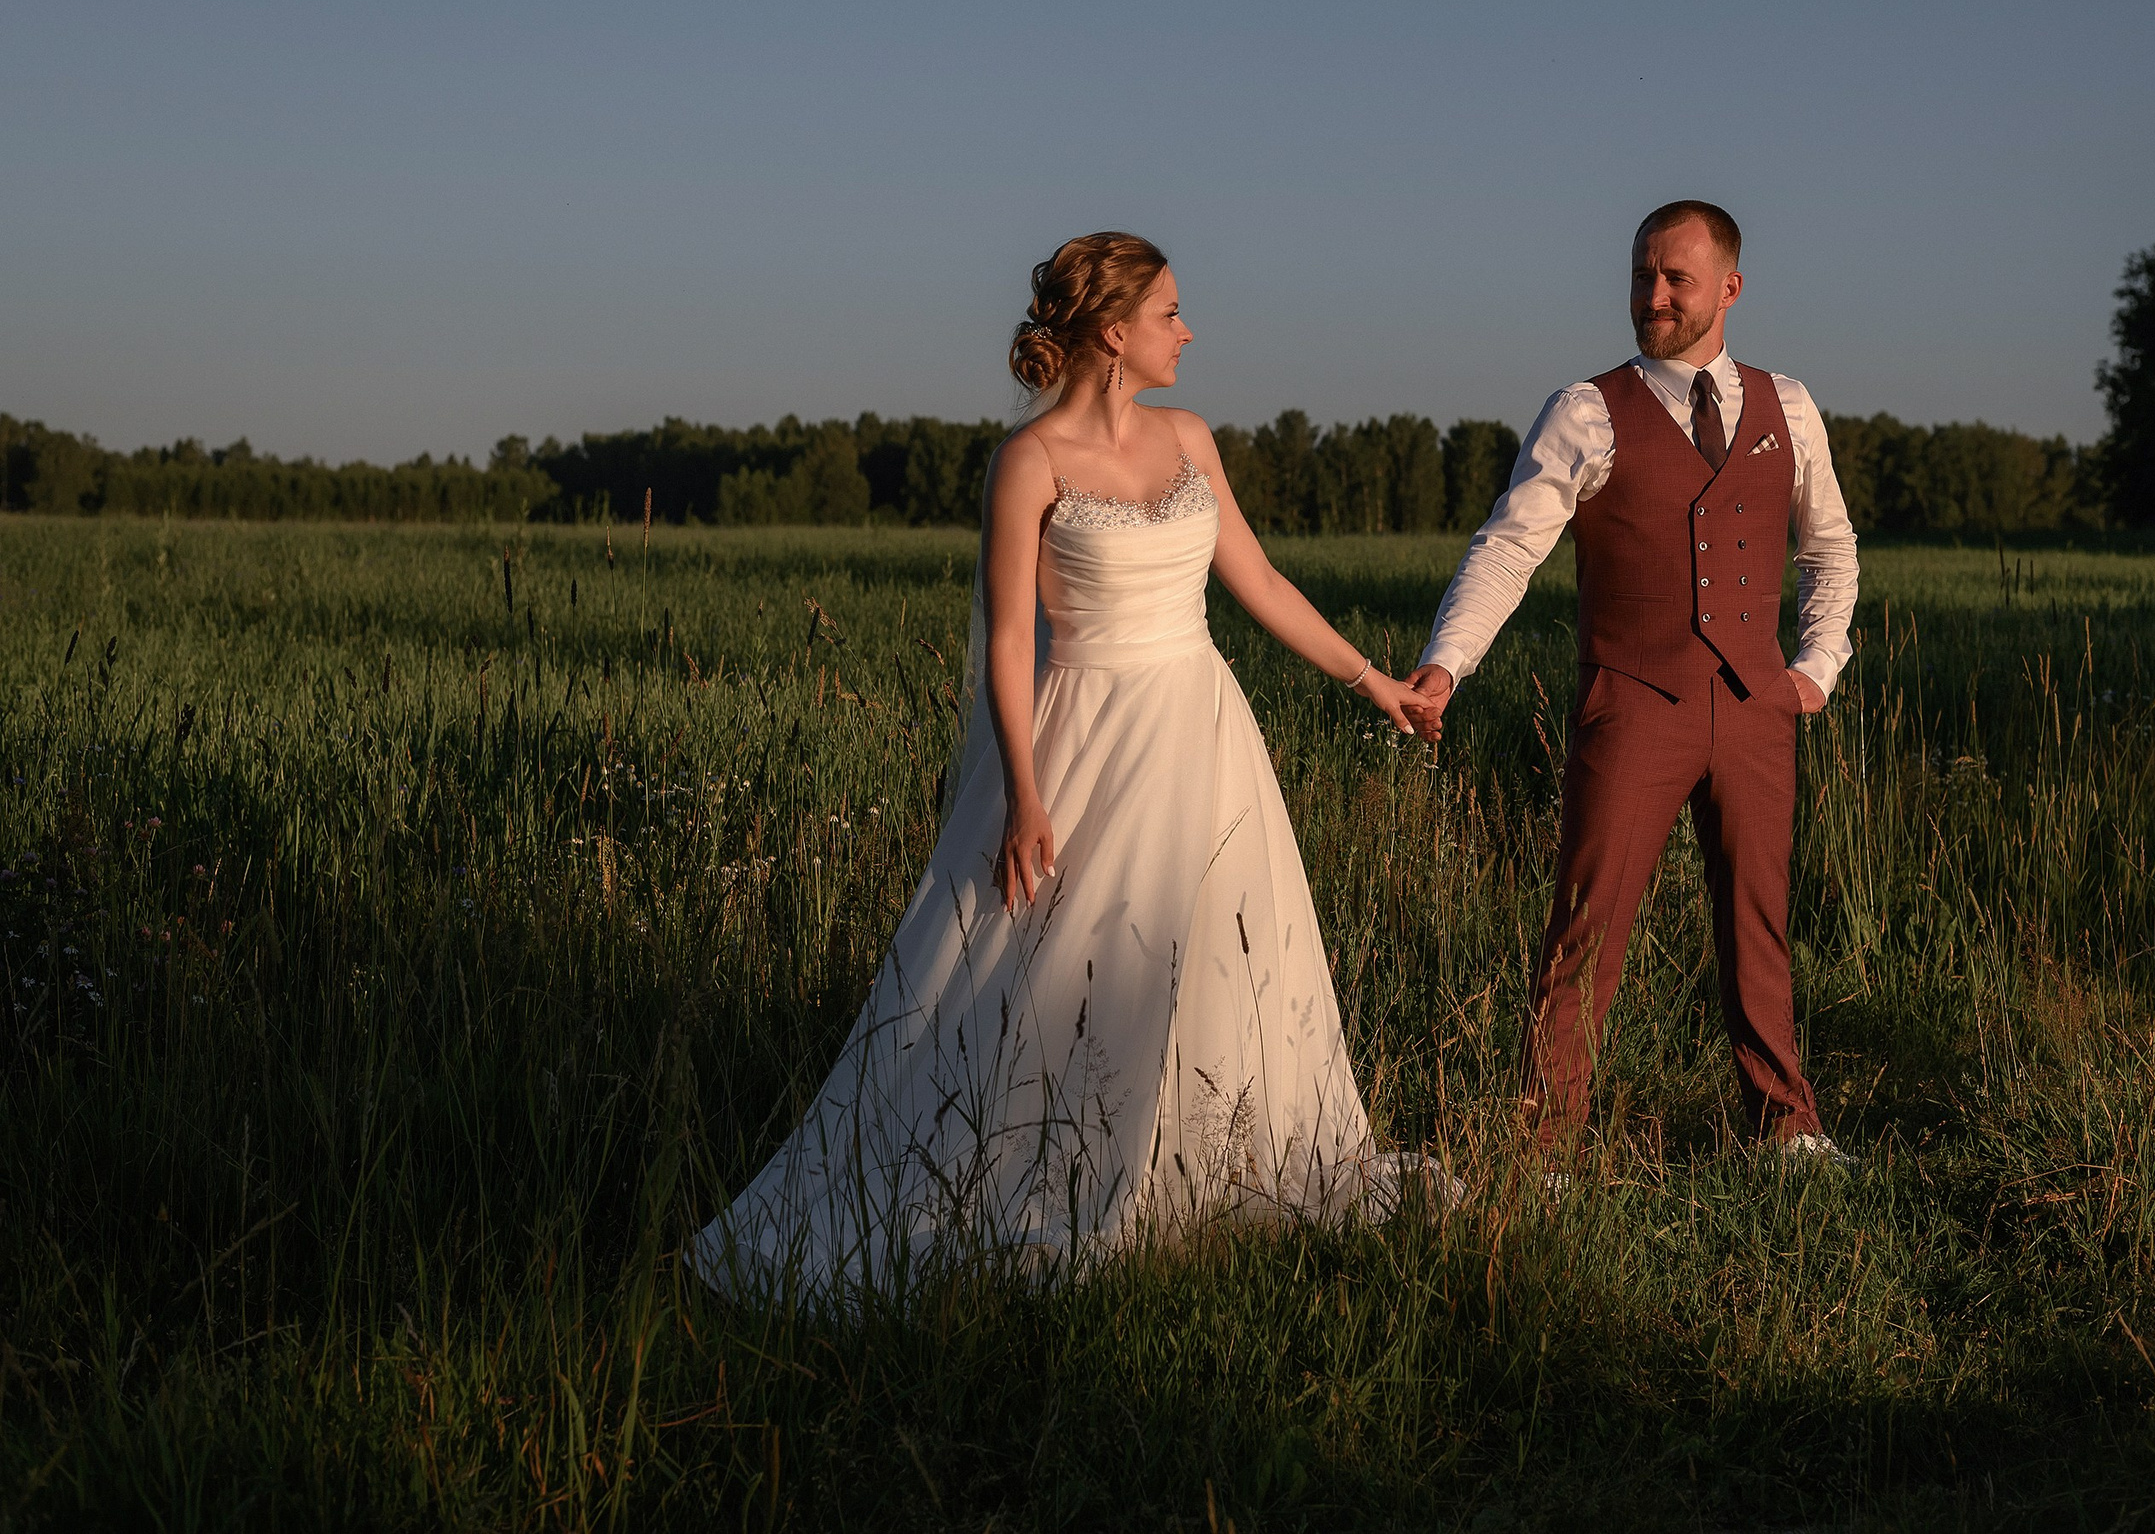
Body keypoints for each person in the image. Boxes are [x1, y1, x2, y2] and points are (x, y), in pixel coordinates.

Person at [691, 232, 1449, 1304]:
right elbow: (1008, 640)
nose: (1188, 331)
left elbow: (1261, 581)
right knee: (1053, 966)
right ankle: (1040, 1160)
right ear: (1113, 331)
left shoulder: (1189, 436)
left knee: (1212, 953)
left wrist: (1376, 683)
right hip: (1080, 736)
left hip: (1200, 733)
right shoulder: (1031, 463)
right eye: (1171, 313)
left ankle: (1206, 1159)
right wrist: (1026, 796)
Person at [1407, 200, 1861, 1167]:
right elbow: (1508, 549)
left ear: (1729, 288)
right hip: (1632, 702)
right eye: (1641, 276)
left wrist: (1816, 670)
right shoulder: (1585, 409)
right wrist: (1448, 664)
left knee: (1759, 921)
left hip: (1754, 707)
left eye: (1676, 279)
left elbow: (1832, 549)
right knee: (1588, 922)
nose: (1652, 296)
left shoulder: (1791, 406)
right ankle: (1548, 1144)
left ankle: (1787, 1126)